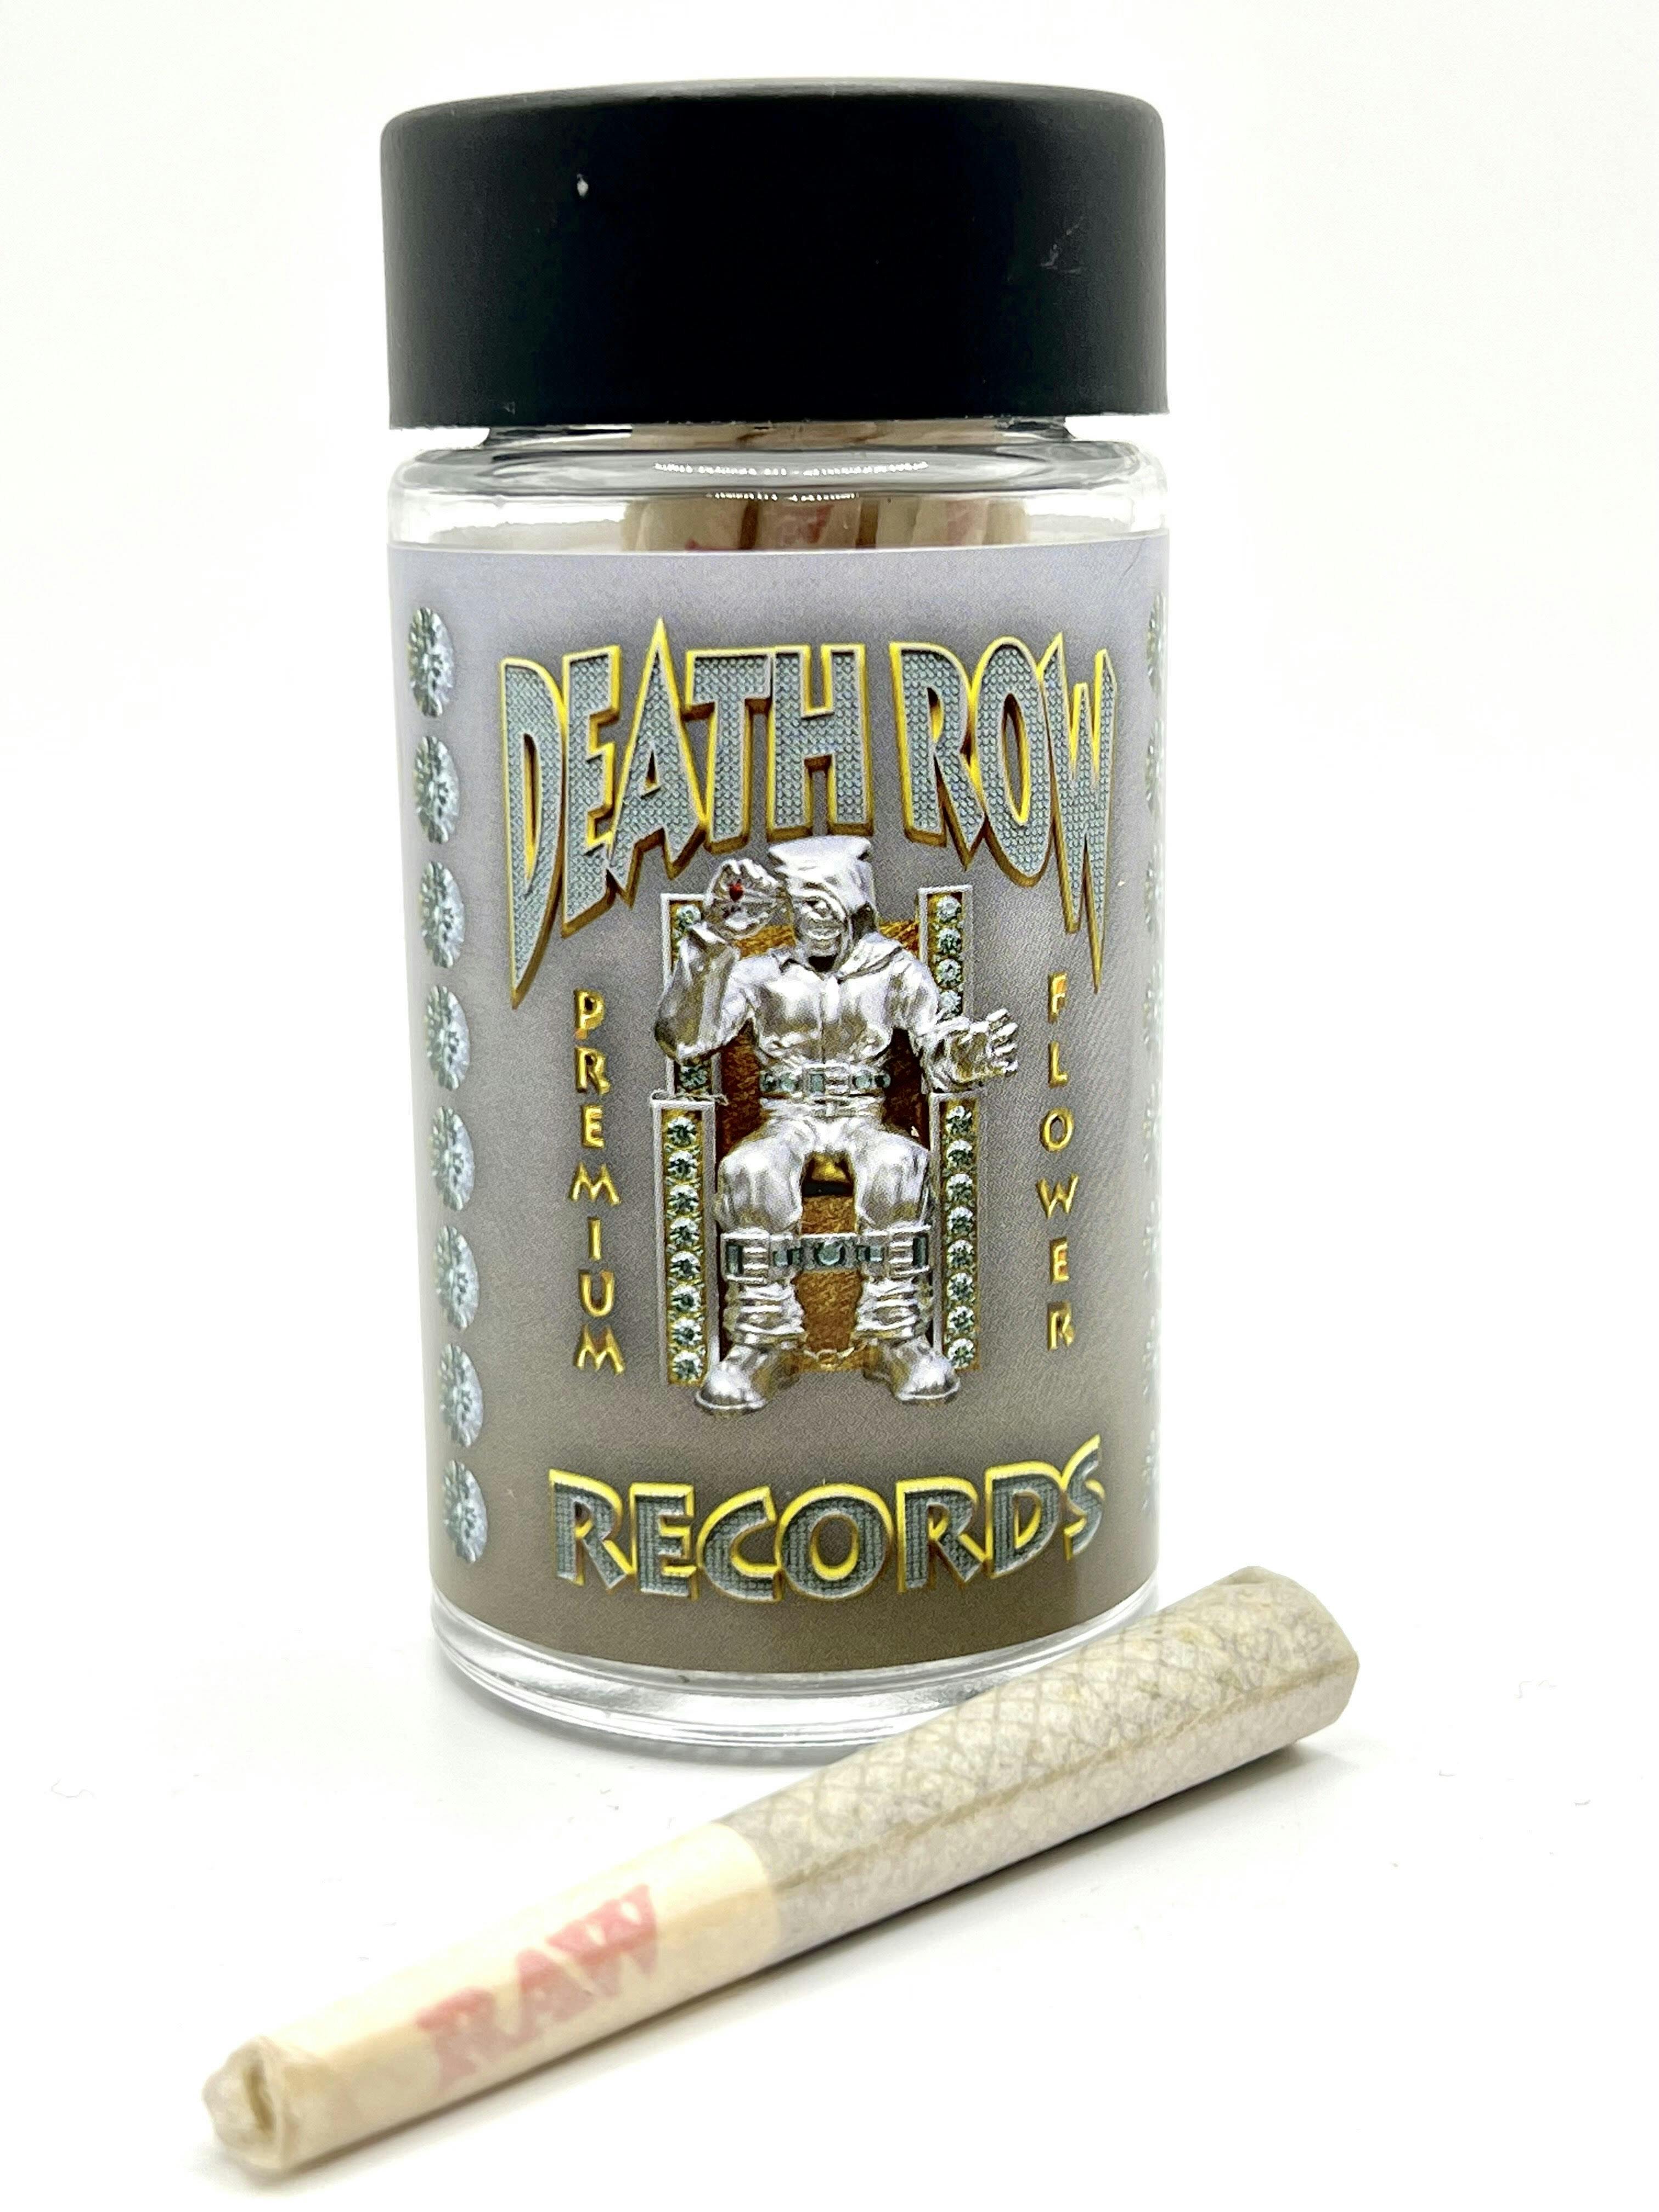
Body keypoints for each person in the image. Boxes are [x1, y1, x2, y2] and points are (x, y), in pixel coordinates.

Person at [655, 836, 1017, 1412]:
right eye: (806, 905)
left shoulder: (893, 969)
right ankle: (760, 1343)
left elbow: (935, 1042)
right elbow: (684, 1040)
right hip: (787, 1117)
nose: (817, 919)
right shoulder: (761, 974)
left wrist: (967, 1053)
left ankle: (897, 1338)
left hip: (862, 1114)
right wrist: (713, 937)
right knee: (751, 1169)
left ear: (855, 904)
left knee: (898, 1163)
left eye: (829, 904)